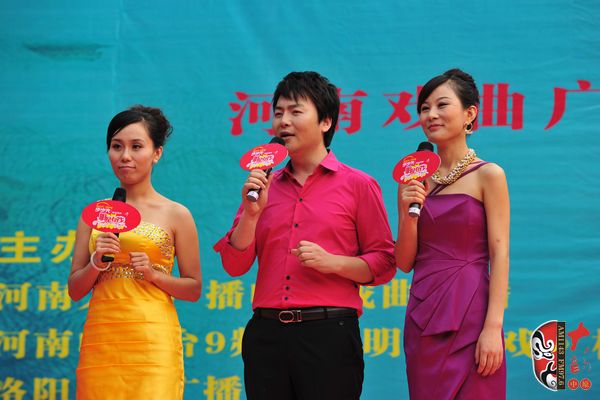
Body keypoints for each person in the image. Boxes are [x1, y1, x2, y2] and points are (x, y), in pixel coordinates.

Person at [214, 71, 396, 400]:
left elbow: (384, 262)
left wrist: (333, 263)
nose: (283, 121)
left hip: (328, 334)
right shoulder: (263, 185)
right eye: (278, 112)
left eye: (296, 111)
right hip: (266, 335)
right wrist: (251, 214)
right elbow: (234, 264)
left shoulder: (358, 185)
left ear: (326, 121)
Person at [68, 105, 202, 400]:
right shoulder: (94, 215)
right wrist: (95, 263)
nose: (125, 156)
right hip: (102, 338)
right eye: (117, 146)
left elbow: (193, 288)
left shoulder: (176, 214)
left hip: (152, 340)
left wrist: (154, 275)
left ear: (157, 153)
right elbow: (75, 290)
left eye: (136, 146)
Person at [396, 69, 509, 399]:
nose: (431, 115)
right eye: (424, 108)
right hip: (423, 313)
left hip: (473, 311)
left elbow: (500, 254)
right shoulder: (413, 180)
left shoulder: (489, 175)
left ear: (470, 114)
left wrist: (493, 327)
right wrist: (408, 214)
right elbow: (404, 261)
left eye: (441, 105)